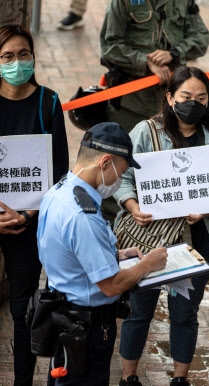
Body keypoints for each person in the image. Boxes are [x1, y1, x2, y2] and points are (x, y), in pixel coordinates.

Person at [114, 66, 209, 386]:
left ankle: (180, 378)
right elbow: (121, 176)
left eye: (202, 98)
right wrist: (133, 206)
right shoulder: (146, 132)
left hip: (195, 243)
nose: (194, 104)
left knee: (184, 312)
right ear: (170, 98)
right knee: (139, 310)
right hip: (148, 240)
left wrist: (205, 210)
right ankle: (129, 377)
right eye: (186, 96)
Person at [37, 122, 168, 385]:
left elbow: (71, 252)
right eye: (122, 170)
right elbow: (111, 286)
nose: (120, 178)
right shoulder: (83, 216)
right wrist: (149, 264)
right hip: (86, 325)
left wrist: (116, 255)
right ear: (105, 162)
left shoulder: (60, 191)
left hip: (65, 313)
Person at [0, 23, 69, 386]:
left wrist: (27, 214)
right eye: (8, 56)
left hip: (29, 223)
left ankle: (22, 381)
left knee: (23, 310)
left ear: (33, 57)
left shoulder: (48, 102)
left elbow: (59, 173)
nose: (17, 62)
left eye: (23, 54)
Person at [100, 0, 209, 133]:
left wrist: (175, 53)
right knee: (129, 149)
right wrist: (145, 62)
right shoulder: (123, 2)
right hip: (131, 104)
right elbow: (110, 45)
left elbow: (201, 37)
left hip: (172, 104)